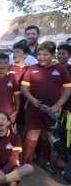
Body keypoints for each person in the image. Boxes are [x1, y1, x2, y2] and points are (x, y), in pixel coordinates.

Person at [21, 41, 71, 172]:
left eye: (45, 54)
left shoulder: (61, 69)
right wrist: (31, 99)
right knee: (32, 134)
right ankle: (25, 163)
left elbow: (67, 90)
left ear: (52, 55)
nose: (41, 57)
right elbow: (23, 87)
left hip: (51, 111)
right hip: (34, 110)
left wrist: (57, 105)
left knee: (47, 136)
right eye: (39, 54)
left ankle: (46, 162)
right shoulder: (32, 69)